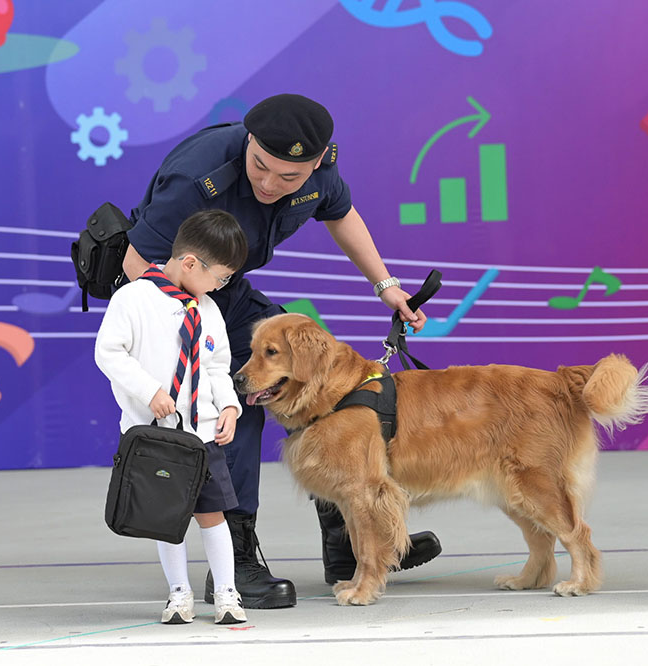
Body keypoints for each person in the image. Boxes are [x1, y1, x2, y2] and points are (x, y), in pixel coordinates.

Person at [120, 93, 443, 608]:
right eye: (260, 167)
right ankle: (237, 559)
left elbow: (341, 214)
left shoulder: (320, 175)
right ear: (249, 143)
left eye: (288, 177)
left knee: (319, 372)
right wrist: (194, 342)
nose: (269, 184)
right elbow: (138, 266)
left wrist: (387, 286)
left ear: (317, 162)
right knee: (244, 397)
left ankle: (349, 542)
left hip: (228, 287)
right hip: (168, 294)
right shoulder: (196, 176)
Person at [95, 210, 250, 624]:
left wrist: (229, 406)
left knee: (213, 514)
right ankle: (179, 594)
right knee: (167, 518)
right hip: (154, 436)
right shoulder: (133, 299)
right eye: (220, 276)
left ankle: (227, 594)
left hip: (201, 435)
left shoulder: (207, 309)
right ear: (189, 264)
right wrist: (150, 391)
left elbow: (216, 365)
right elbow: (109, 352)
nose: (221, 285)